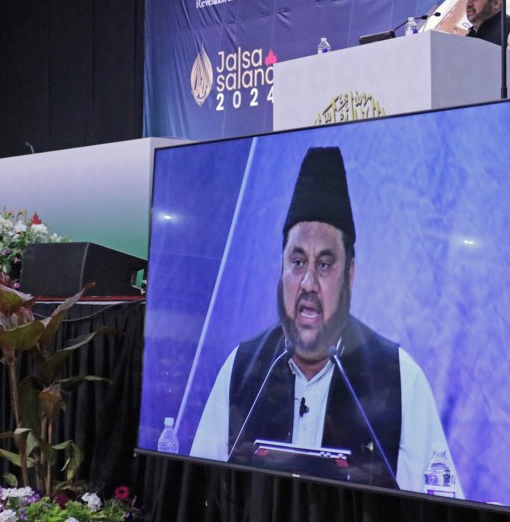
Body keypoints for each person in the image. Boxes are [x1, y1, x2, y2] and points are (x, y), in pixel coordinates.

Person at [191, 147, 462, 496]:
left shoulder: (399, 378)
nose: (308, 284)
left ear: (350, 275)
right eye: (298, 262)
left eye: (324, 264)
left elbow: (442, 502)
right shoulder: (242, 369)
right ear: (281, 268)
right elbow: (198, 486)